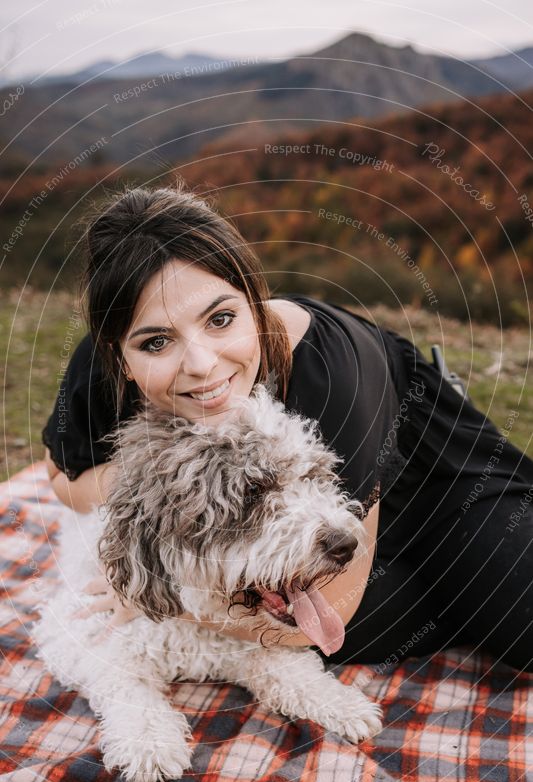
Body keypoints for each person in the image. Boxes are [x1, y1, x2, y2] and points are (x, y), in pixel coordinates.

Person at [43, 183, 533, 672]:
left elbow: (338, 602)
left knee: (505, 627)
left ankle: (466, 592)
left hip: (443, 494)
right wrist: (155, 492)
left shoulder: (334, 372)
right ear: (118, 354)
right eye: (155, 343)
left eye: (221, 318)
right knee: (321, 626)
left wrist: (171, 600)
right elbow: (62, 474)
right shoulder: (102, 366)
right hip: (296, 534)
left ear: (256, 302)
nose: (201, 364)